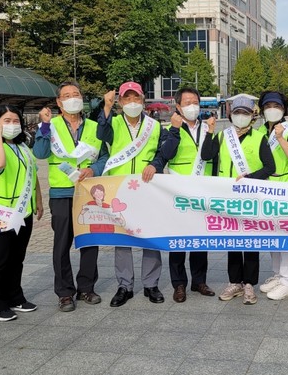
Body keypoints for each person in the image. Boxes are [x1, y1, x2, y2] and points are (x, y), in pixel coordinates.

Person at [97, 81, 179, 307]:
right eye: (127, 98)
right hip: (120, 189)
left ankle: (151, 284)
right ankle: (125, 285)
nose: (132, 102)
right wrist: (106, 107)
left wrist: (155, 164)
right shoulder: (113, 122)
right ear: (120, 101)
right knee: (122, 238)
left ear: (143, 100)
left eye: (136, 98)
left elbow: (163, 152)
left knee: (149, 236)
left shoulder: (154, 125)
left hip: (147, 188)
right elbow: (101, 134)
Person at [33, 81, 109, 312]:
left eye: (76, 94)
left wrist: (93, 170)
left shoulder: (94, 126)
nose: (72, 98)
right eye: (66, 95)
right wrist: (44, 126)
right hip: (62, 192)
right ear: (59, 102)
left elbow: (104, 157)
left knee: (90, 242)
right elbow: (40, 153)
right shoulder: (50, 125)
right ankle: (65, 292)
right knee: (61, 244)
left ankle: (86, 287)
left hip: (88, 192)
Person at [201, 96, 275, 305]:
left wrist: (250, 178)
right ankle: (235, 282)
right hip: (229, 197)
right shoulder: (223, 136)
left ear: (252, 116)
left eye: (245, 113)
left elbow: (270, 167)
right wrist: (210, 132)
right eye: (237, 112)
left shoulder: (259, 138)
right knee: (232, 240)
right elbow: (206, 155)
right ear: (231, 114)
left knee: (250, 241)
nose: (241, 116)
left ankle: (249, 284)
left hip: (250, 196)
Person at [0, 105, 43, 321]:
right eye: (6, 121)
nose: (12, 125)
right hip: (1, 214)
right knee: (1, 258)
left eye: (16, 121)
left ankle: (15, 297)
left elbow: (33, 175)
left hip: (23, 212)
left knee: (17, 258)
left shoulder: (23, 147)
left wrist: (39, 200)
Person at [166, 87, 216, 303]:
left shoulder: (208, 127)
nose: (192, 106)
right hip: (179, 192)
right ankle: (179, 284)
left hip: (203, 192)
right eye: (187, 103)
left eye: (195, 102)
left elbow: (214, 157)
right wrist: (174, 130)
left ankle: (199, 281)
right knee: (178, 240)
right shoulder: (170, 129)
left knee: (200, 239)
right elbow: (166, 154)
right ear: (178, 106)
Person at [256, 91, 288, 301]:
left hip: (286, 188)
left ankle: (287, 281)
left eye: (276, 106)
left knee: (286, 236)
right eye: (268, 106)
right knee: (272, 235)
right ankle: (277, 274)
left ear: (284, 109)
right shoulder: (260, 131)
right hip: (266, 188)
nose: (272, 109)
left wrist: (280, 138)